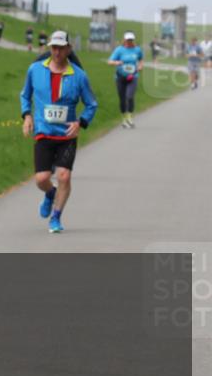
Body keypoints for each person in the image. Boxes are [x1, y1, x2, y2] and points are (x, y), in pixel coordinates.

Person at [20, 31, 98, 233]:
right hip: (44, 132)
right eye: (53, 47)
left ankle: (56, 217)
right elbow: (25, 95)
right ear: (49, 48)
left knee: (64, 176)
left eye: (61, 47)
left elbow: (91, 104)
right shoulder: (35, 70)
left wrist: (80, 122)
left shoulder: (79, 76)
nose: (56, 51)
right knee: (41, 179)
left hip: (67, 135)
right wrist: (27, 116)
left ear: (68, 49)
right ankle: (49, 194)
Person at [108, 31, 144, 128]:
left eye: (131, 40)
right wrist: (117, 63)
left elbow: (141, 60)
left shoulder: (137, 50)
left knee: (129, 96)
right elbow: (110, 61)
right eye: (128, 40)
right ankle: (124, 118)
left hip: (133, 76)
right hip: (120, 77)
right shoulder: (119, 50)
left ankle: (130, 117)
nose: (129, 42)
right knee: (122, 98)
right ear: (124, 40)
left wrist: (140, 66)